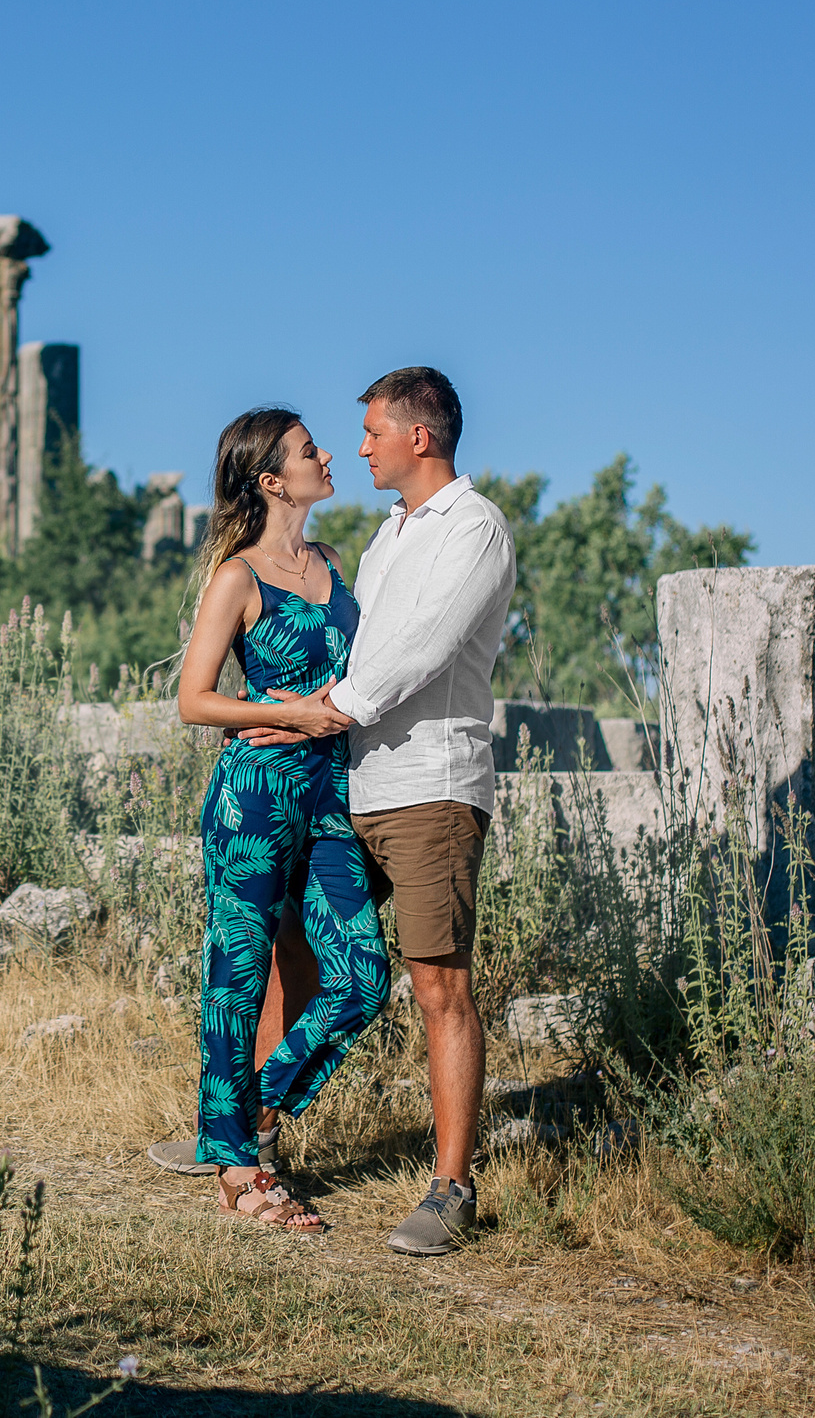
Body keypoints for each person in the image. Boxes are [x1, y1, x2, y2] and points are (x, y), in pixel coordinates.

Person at [241, 367, 514, 1255]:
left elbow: (423, 650)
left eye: (371, 432)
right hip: (353, 783)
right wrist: (302, 710)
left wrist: (324, 708)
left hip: (431, 788)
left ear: (418, 437)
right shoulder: (388, 532)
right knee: (296, 947)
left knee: (439, 983)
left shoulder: (472, 528)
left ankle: (450, 1188)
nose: (358, 447)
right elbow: (366, 645)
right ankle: (254, 1136)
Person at [174, 407, 394, 1232]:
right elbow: (194, 698)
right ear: (272, 480)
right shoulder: (238, 576)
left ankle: (247, 1118)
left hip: (330, 798)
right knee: (238, 978)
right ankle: (238, 1172)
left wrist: (322, 718)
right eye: (310, 450)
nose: (328, 454)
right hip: (255, 798)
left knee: (362, 976)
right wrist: (295, 714)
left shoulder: (335, 565)